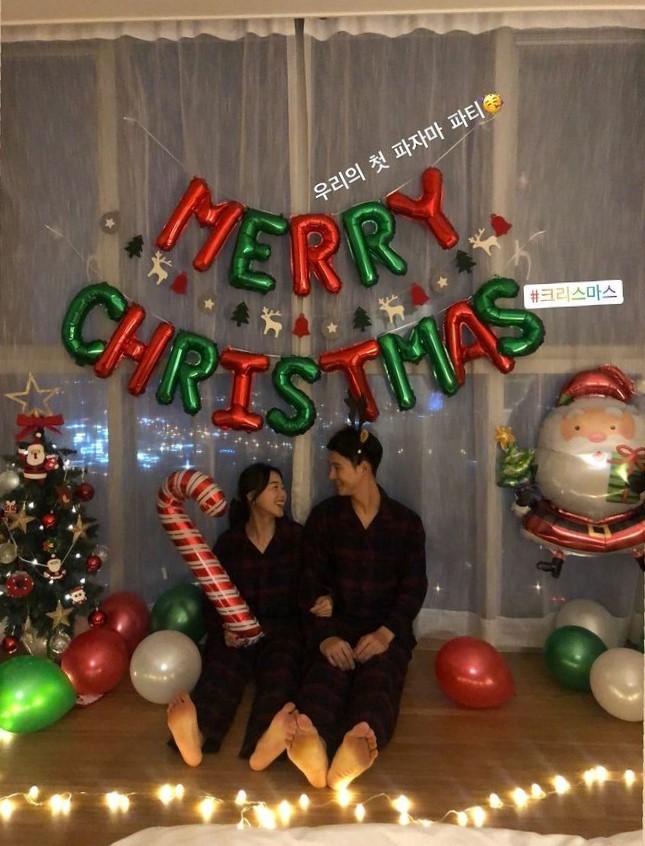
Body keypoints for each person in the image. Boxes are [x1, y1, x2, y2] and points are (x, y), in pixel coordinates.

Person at [286, 426, 428, 790]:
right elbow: (309, 584)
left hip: (385, 630)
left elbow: (414, 589)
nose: (330, 475)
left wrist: (386, 633)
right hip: (336, 626)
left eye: (337, 467)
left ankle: (356, 748)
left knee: (379, 685)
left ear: (363, 467)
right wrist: (325, 637)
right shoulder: (325, 518)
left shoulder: (406, 524)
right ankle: (314, 746)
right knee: (323, 680)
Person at [166, 463, 331, 769]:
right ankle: (196, 734)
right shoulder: (230, 544)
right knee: (220, 670)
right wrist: (223, 630)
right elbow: (211, 599)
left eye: (283, 488)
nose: (283, 495)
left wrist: (324, 601)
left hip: (282, 632)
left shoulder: (297, 538)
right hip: (239, 631)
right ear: (252, 496)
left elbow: (314, 586)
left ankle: (265, 742)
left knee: (280, 675)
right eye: (275, 487)